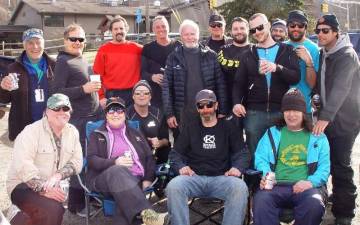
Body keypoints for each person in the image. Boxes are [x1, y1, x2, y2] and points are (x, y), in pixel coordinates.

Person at [166, 89, 250, 225]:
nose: (206, 109)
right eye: (201, 106)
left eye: (209, 105)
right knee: (174, 186)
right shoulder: (190, 128)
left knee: (239, 187)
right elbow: (175, 154)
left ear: (216, 105)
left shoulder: (229, 127)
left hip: (222, 178)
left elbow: (243, 154)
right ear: (197, 108)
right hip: (194, 178)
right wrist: (181, 167)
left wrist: (237, 168)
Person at [253, 88, 330, 225]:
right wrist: (267, 175)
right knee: (261, 201)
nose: (291, 115)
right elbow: (260, 158)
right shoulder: (272, 133)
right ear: (283, 113)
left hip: (305, 186)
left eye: (296, 110)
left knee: (314, 204)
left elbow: (324, 168)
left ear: (303, 113)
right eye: (287, 110)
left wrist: (310, 182)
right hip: (276, 185)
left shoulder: (318, 137)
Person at [86, 97, 169, 225]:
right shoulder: (97, 134)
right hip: (103, 180)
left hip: (134, 181)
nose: (115, 114)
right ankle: (149, 215)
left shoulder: (135, 133)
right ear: (106, 114)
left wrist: (147, 179)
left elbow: (149, 157)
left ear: (125, 114)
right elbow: (91, 160)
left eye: (119, 110)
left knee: (124, 204)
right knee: (118, 170)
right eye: (111, 110)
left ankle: (143, 218)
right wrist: (114, 162)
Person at [6, 93, 83, 225]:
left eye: (65, 109)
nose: (61, 112)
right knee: (53, 209)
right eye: (56, 108)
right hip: (22, 185)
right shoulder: (30, 132)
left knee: (53, 210)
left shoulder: (73, 132)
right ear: (46, 111)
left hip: (52, 184)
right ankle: (17, 215)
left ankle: (19, 215)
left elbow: (77, 162)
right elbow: (23, 166)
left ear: (70, 112)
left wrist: (58, 175)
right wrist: (43, 189)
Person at [313, 14, 360, 225]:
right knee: (329, 161)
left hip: (345, 120)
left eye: (325, 31)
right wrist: (316, 98)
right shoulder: (326, 52)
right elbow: (323, 82)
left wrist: (324, 117)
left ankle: (345, 212)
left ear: (336, 33)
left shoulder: (346, 55)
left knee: (341, 164)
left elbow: (341, 89)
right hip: (330, 117)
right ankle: (338, 197)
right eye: (318, 30)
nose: (320, 34)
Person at [232, 13, 300, 161]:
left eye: (260, 27)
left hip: (280, 111)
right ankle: (253, 183)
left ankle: (279, 183)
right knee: (253, 155)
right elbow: (238, 83)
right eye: (253, 30)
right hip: (255, 113)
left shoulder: (286, 50)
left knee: (281, 153)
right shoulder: (248, 54)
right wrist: (236, 103)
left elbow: (295, 77)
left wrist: (277, 68)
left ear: (268, 25)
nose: (257, 32)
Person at [51, 23, 102, 215]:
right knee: (78, 162)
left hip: (94, 117)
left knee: (93, 159)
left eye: (81, 39)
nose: (77, 42)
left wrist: (100, 100)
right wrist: (84, 89)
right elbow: (56, 92)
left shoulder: (81, 59)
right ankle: (76, 204)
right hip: (79, 120)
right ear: (65, 40)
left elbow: (90, 87)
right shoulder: (63, 62)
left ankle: (92, 195)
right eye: (73, 39)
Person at [162, 19, 227, 137]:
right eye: (186, 34)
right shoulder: (173, 57)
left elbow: (220, 84)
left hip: (208, 111)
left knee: (208, 143)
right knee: (183, 146)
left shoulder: (211, 55)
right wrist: (169, 113)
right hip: (183, 113)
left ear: (198, 35)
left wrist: (222, 110)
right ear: (181, 36)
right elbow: (167, 87)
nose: (189, 37)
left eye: (192, 34)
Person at [0, 28, 55, 141]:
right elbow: (4, 99)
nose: (35, 47)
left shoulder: (55, 66)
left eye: (38, 42)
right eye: (30, 43)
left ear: (43, 44)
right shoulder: (12, 68)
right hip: (24, 130)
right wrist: (3, 87)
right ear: (24, 46)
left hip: (52, 127)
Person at [93, 16, 143, 107]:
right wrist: (100, 96)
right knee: (115, 121)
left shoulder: (137, 49)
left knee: (133, 121)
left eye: (121, 28)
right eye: (115, 29)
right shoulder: (103, 50)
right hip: (112, 95)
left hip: (134, 93)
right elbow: (96, 75)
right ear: (111, 31)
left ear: (126, 30)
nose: (119, 31)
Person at [126, 80, 170, 164]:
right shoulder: (126, 115)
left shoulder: (157, 113)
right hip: (135, 157)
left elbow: (166, 141)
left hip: (156, 156)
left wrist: (159, 143)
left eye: (146, 93)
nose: (141, 96)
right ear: (133, 96)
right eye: (138, 93)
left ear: (150, 96)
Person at [141, 16, 180, 108]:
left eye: (163, 26)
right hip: (155, 97)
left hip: (176, 95)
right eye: (157, 27)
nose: (161, 29)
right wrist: (152, 77)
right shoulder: (147, 49)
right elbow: (142, 73)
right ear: (153, 30)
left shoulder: (178, 46)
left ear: (168, 27)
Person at [285, 10, 319, 114]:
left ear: (305, 27)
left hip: (304, 108)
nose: (296, 28)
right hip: (282, 107)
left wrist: (308, 61)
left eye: (300, 25)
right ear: (287, 27)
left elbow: (313, 85)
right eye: (292, 25)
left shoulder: (314, 49)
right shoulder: (282, 47)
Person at [218, 16, 251, 112]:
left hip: (252, 104)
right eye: (235, 29)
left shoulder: (256, 50)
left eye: (242, 28)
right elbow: (218, 79)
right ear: (231, 31)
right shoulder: (223, 50)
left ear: (248, 30)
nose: (239, 31)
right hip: (227, 104)